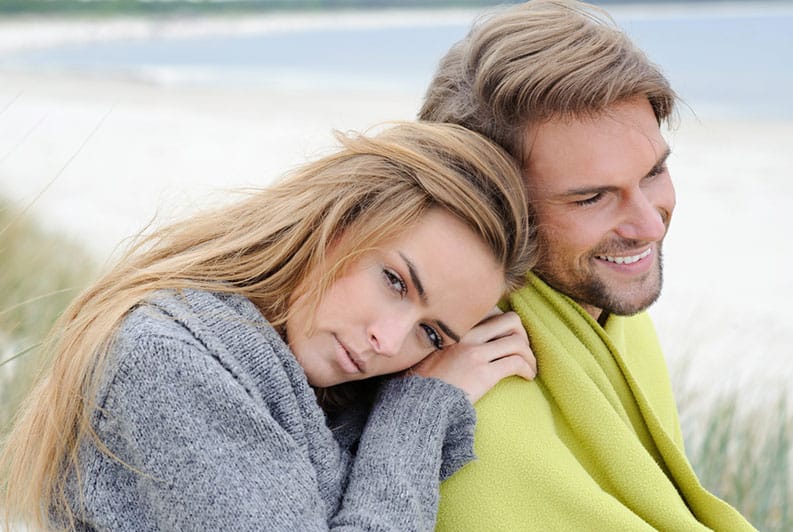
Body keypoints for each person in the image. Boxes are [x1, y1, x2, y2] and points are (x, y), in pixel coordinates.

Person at [0, 122, 538, 531]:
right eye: (395, 281)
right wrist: (417, 413)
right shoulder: (168, 361)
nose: (390, 341)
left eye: (432, 334)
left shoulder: (319, 392)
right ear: (335, 221)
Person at [419, 1, 754, 530]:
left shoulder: (614, 314)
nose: (649, 226)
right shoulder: (475, 401)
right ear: (490, 208)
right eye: (592, 198)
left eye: (654, 172)